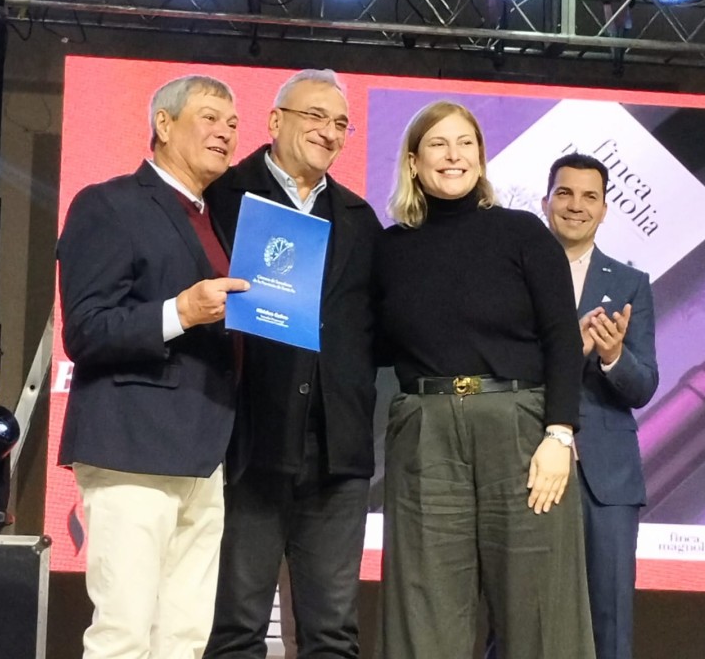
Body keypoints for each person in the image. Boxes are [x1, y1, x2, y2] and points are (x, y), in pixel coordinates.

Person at [374, 101, 595, 659]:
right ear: (413, 161)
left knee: (541, 613)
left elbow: (562, 338)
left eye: (465, 143)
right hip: (425, 436)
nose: (453, 155)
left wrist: (560, 433)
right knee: (424, 612)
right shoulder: (389, 249)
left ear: (480, 156)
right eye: (438, 144)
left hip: (522, 436)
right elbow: (368, 344)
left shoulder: (522, 233)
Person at [57, 75, 250, 659]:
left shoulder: (219, 219)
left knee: (184, 639)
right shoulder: (108, 203)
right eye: (210, 117)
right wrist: (180, 312)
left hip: (204, 453)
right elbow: (85, 330)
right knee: (124, 634)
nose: (225, 132)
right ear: (163, 125)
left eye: (233, 123)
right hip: (131, 448)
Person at [204, 68, 382, 659]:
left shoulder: (359, 217)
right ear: (275, 120)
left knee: (333, 634)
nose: (329, 132)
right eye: (315, 116)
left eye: (341, 124)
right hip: (247, 443)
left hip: (335, 452)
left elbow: (374, 329)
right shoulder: (222, 197)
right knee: (235, 628)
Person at [541, 153, 659, 659]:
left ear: (605, 209)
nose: (576, 206)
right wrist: (571, 347)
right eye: (565, 193)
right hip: (529, 462)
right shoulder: (515, 271)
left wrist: (612, 356)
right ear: (546, 201)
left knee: (609, 623)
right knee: (523, 614)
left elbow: (644, 384)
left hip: (606, 479)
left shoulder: (630, 283)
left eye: (590, 196)